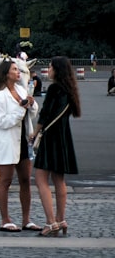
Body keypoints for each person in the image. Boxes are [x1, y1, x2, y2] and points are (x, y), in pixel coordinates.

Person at [0, 58, 41, 232]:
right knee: (6, 180)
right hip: (6, 142)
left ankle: (27, 219)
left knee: (25, 179)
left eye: (18, 70)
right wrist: (21, 109)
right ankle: (5, 219)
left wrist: (31, 105)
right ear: (6, 73)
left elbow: (31, 114)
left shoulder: (21, 89)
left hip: (23, 141)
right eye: (14, 69)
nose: (18, 72)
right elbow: (1, 121)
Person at [31, 56, 81, 237]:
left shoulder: (54, 88)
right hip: (63, 137)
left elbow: (45, 114)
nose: (48, 71)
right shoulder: (70, 90)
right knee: (59, 180)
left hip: (50, 137)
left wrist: (35, 132)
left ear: (57, 70)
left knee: (40, 179)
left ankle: (51, 222)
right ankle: (61, 219)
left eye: (50, 67)